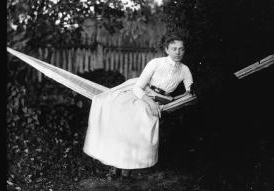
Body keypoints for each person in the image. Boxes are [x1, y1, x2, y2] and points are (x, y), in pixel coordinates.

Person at [83, 34, 193, 179]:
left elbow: (189, 92)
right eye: (174, 49)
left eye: (181, 49)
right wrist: (151, 103)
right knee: (121, 115)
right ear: (167, 50)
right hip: (140, 93)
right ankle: (116, 166)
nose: (178, 52)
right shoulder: (156, 63)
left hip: (161, 99)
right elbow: (138, 88)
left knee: (140, 119)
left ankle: (127, 168)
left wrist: (181, 97)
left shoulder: (185, 69)